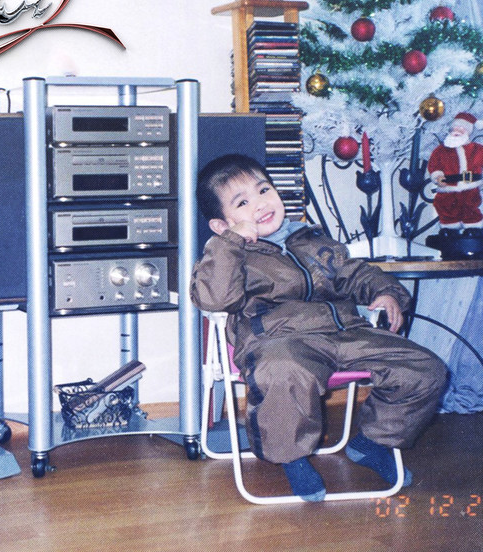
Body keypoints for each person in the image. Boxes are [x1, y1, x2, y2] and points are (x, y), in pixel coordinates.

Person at [190, 153, 447, 502]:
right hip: (279, 339)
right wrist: (230, 245)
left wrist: (385, 292)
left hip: (347, 330)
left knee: (425, 368)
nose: (260, 204)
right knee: (282, 372)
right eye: (243, 202)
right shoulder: (227, 255)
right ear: (222, 224)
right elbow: (214, 298)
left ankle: (373, 443)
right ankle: (292, 458)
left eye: (264, 190)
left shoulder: (311, 239)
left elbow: (354, 273)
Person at [428, 111, 483, 231]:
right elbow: (434, 164)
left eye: (462, 128)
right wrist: (437, 176)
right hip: (448, 187)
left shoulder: (476, 149)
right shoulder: (441, 150)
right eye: (455, 127)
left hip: (470, 187)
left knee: (470, 207)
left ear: (468, 131)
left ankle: (473, 228)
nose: (457, 130)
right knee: (445, 207)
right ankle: (449, 229)